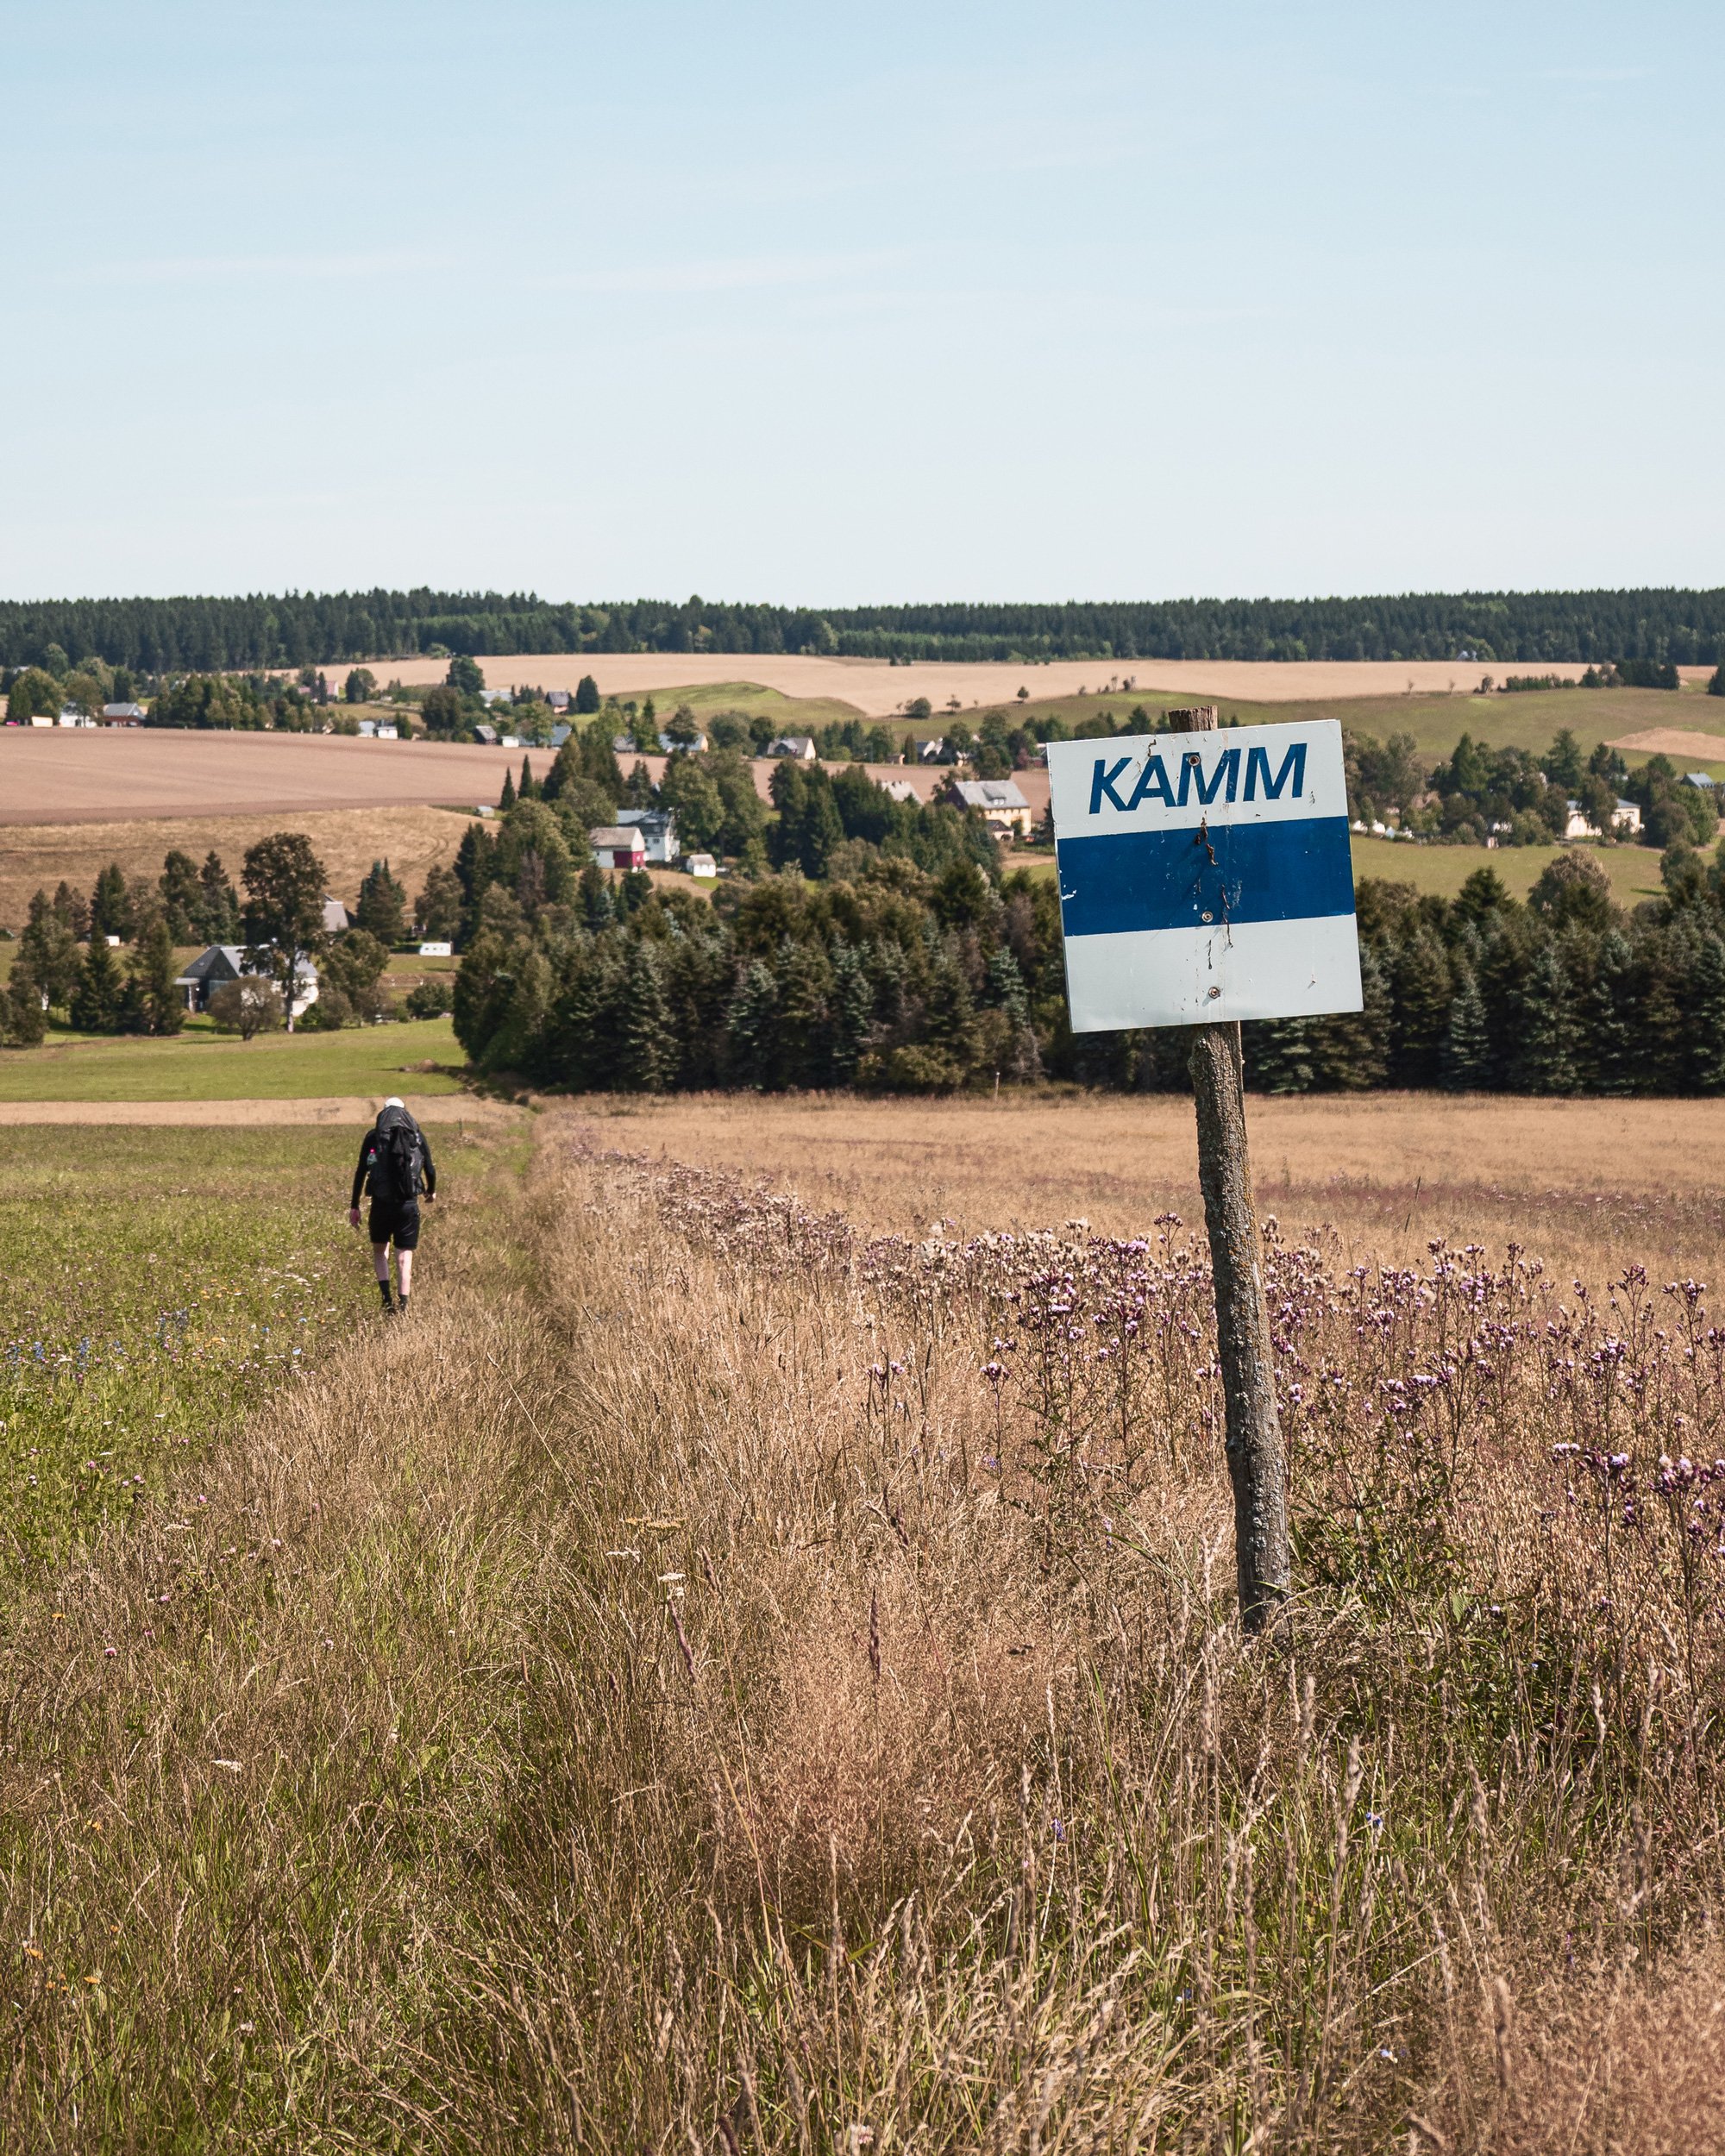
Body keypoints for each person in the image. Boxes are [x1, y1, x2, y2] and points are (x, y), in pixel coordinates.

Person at [348, 1096, 436, 1314]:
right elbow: (431, 1169)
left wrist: (354, 1205)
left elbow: (361, 1172)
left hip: (381, 1204)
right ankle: (404, 1305)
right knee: (404, 1257)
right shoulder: (417, 1136)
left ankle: (387, 1300)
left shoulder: (373, 1137)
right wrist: (431, 1191)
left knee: (380, 1251)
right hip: (408, 1205)